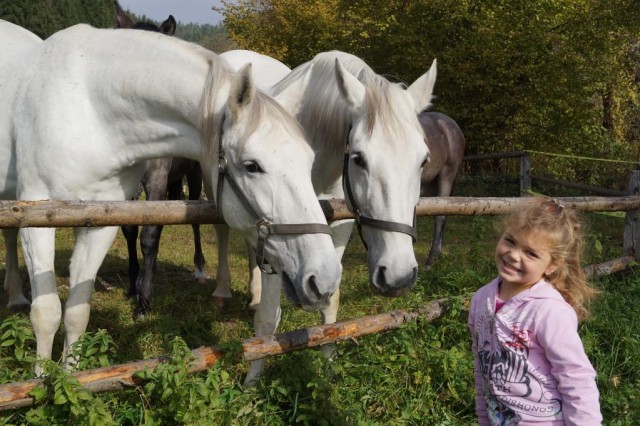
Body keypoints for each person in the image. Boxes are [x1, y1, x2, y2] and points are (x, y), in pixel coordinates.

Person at [468, 197, 602, 425]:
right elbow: (482, 365)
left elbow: (576, 378)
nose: (513, 255)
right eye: (510, 241)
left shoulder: (549, 311)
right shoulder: (481, 299)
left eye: (531, 253)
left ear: (552, 265)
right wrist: (483, 416)